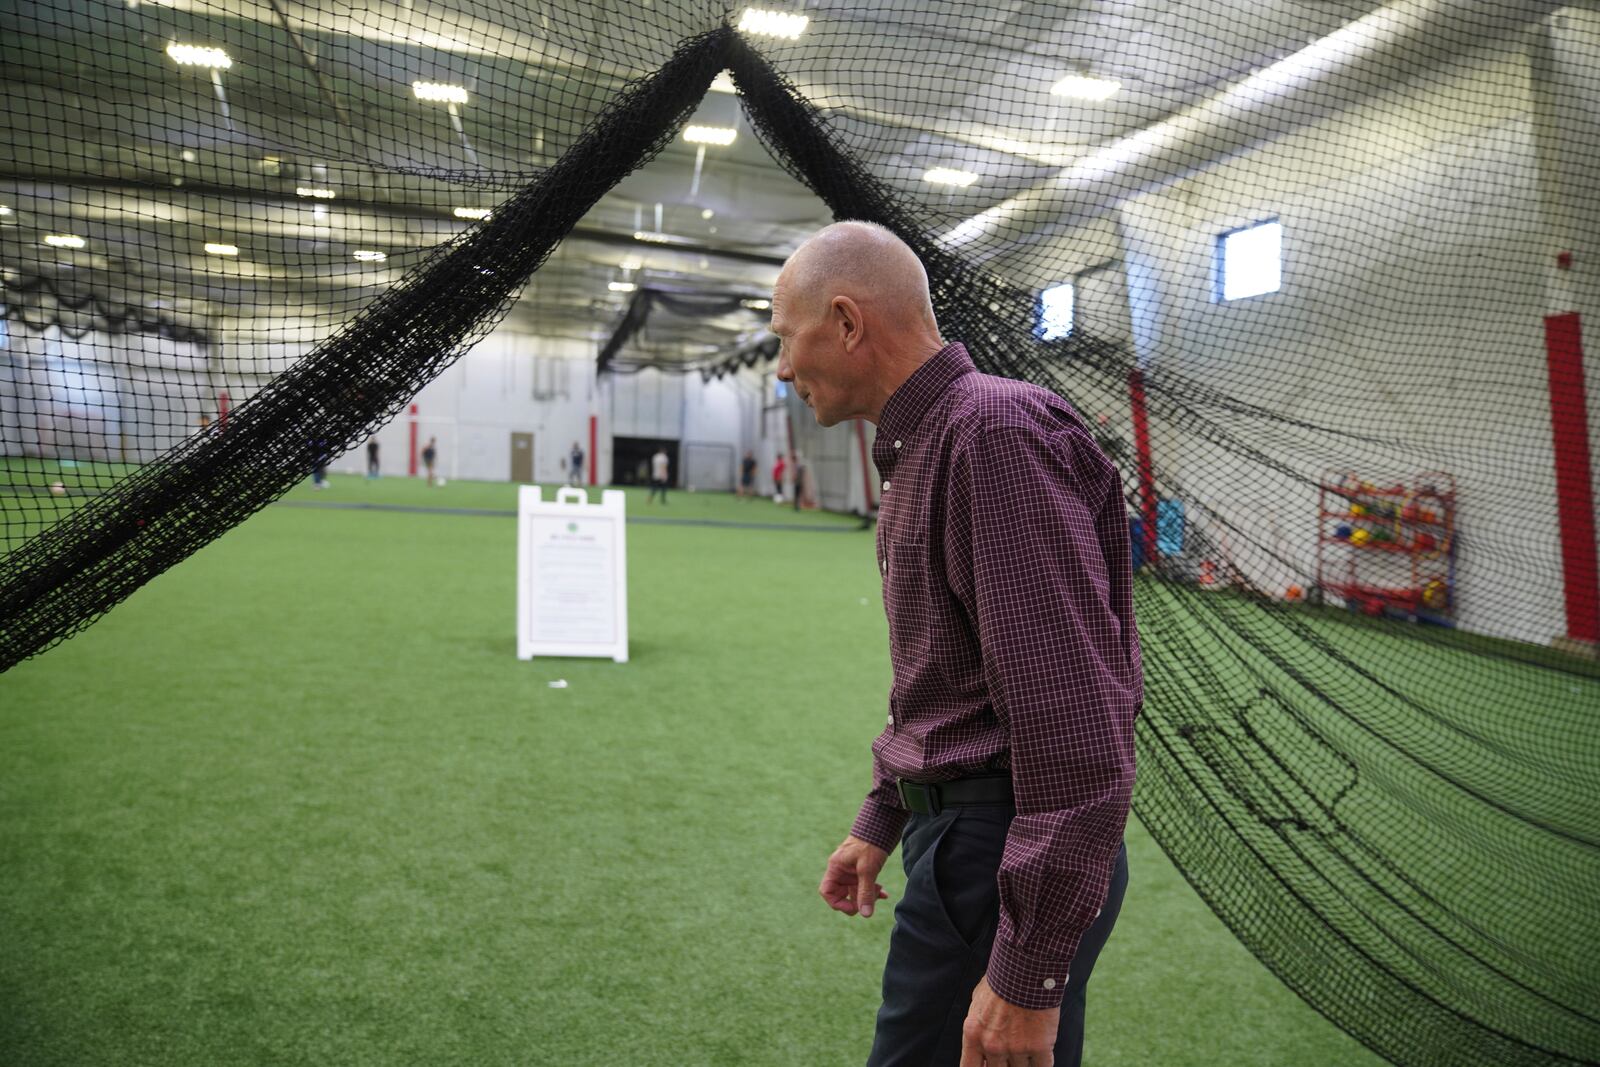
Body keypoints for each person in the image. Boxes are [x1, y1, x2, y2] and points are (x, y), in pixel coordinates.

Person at [777, 221, 1141, 1067]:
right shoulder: (929, 444)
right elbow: (947, 682)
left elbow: (1075, 724)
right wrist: (883, 815)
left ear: (846, 321)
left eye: (787, 340)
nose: (785, 368)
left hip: (1000, 856)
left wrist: (1026, 973)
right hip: (970, 842)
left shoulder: (991, 436)